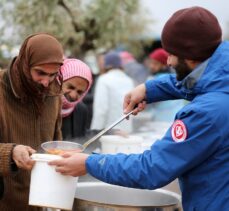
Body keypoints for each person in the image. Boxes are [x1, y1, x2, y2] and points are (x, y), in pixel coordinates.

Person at [49, 7, 229, 210]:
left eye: (172, 55)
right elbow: (198, 83)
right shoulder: (221, 81)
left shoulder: (207, 113)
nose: (168, 62)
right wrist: (149, 89)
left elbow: (153, 169)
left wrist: (89, 163)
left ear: (191, 57)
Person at [0, 33, 64, 210]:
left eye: (53, 75)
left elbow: (55, 141)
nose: (46, 82)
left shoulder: (54, 93)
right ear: (24, 63)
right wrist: (10, 153)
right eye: (40, 73)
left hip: (41, 201)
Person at [90, 51, 134, 133]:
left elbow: (101, 109)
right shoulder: (129, 80)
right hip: (127, 131)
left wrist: (95, 131)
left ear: (107, 65)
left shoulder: (103, 79)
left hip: (110, 132)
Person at [148, 48, 185, 122]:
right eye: (151, 63)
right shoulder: (174, 77)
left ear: (164, 65)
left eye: (155, 63)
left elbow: (150, 98)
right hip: (176, 119)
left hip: (163, 121)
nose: (151, 66)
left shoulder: (158, 80)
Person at [61, 58, 93, 139]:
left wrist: (107, 133)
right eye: (70, 87)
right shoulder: (42, 107)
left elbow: (82, 136)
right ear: (60, 80)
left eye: (79, 92)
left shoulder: (81, 110)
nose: (73, 95)